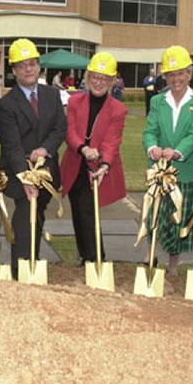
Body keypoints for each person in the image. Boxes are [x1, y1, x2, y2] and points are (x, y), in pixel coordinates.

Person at [0, 38, 67, 279]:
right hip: (20, 174)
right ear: (14, 71)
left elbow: (59, 129)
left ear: (39, 66)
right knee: (26, 215)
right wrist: (26, 178)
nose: (28, 69)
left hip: (46, 172)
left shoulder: (52, 95)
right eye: (22, 65)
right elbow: (12, 145)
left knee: (36, 217)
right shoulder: (6, 104)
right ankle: (22, 267)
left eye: (32, 63)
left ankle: (32, 261)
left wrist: (45, 149)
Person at [141, 45, 193, 276]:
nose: (176, 78)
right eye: (171, 74)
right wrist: (152, 147)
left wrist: (177, 152)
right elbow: (149, 130)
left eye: (180, 73)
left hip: (186, 170)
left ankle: (173, 266)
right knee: (155, 215)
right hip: (159, 170)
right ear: (166, 77)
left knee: (179, 219)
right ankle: (151, 256)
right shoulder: (157, 101)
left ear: (189, 74)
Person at [60, 52, 127, 266]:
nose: (99, 82)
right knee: (78, 212)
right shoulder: (75, 101)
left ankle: (96, 258)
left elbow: (112, 140)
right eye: (95, 77)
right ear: (88, 78)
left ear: (112, 81)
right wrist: (83, 148)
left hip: (98, 169)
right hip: (76, 164)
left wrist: (105, 163)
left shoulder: (118, 109)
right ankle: (85, 255)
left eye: (104, 78)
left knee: (88, 212)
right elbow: (70, 132)